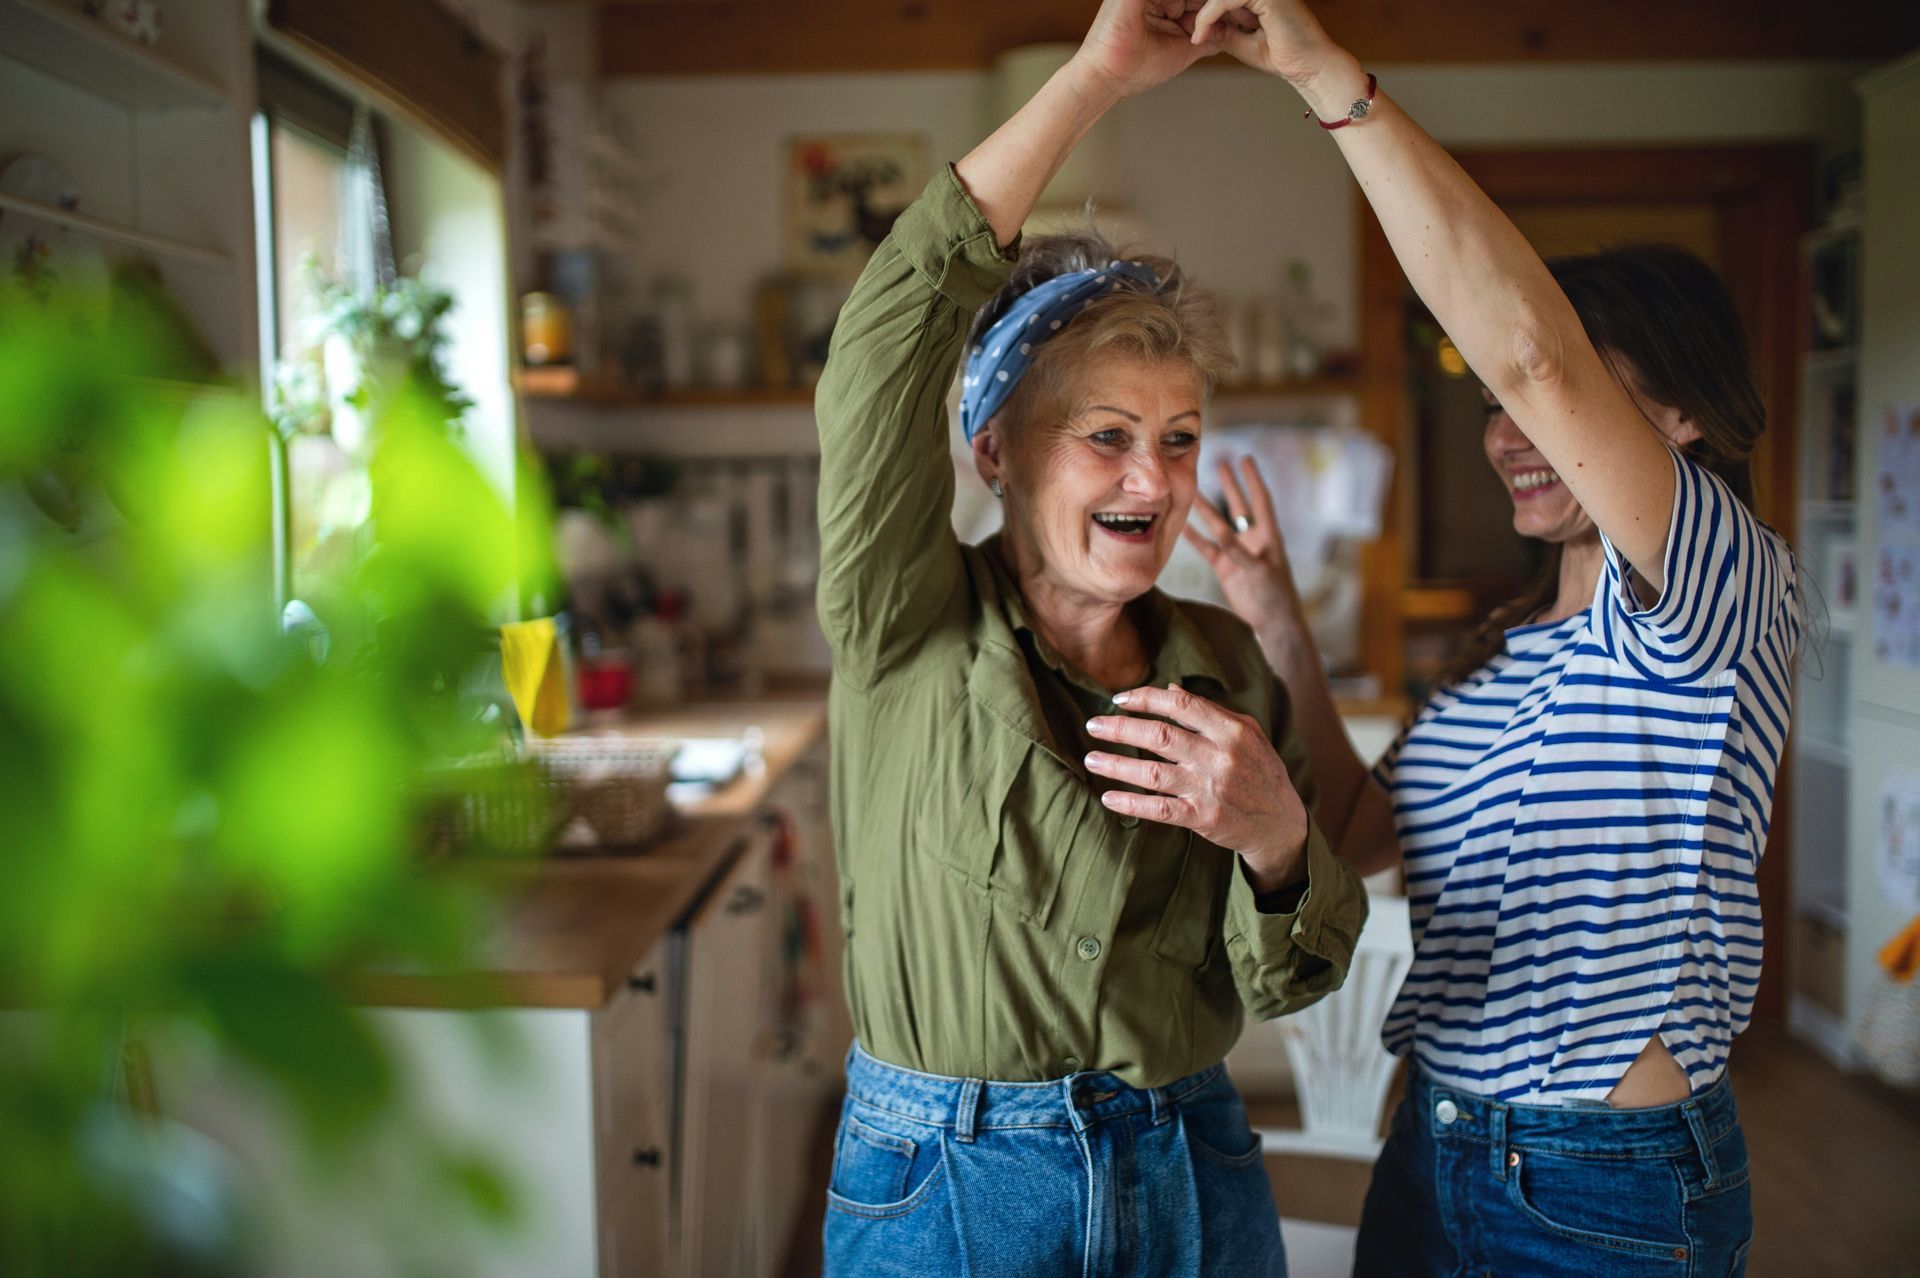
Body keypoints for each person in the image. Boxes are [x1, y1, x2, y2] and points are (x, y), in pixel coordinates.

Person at [1178, 2, 1801, 1273]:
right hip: (1436, 1141)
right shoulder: (1509, 647)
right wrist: (1277, 619)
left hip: (1605, 1180)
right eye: (1493, 403)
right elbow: (1362, 837)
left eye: (1543, 399)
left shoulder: (1715, 595)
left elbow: (1537, 359)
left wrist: (1318, 72)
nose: (1511, 428)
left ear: (1679, 416)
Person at [811, 1, 1368, 1272]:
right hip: (950, 1178)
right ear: (996, 452)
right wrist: (1097, 79)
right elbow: (885, 340)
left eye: (1178, 438)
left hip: (1192, 1162)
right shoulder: (906, 616)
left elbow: (1287, 981)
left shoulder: (1224, 665)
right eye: (1106, 434)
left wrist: (1277, 838)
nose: (1155, 475)